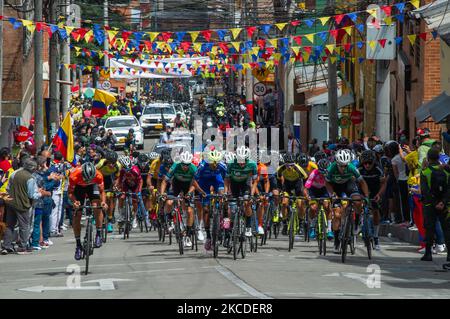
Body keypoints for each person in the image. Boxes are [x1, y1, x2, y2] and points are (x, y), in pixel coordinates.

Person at [1, 158, 46, 255]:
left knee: (10, 225)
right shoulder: (30, 178)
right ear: (32, 168)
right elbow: (31, 195)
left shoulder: (14, 173)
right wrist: (40, 194)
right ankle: (22, 247)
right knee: (24, 226)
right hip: (23, 205)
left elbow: (8, 188)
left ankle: (6, 246)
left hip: (11, 202)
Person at [68, 162, 107, 260]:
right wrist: (75, 202)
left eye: (90, 179)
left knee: (96, 205)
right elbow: (70, 193)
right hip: (79, 188)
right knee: (77, 213)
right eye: (86, 179)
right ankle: (78, 245)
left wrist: (103, 202)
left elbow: (102, 191)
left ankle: (98, 233)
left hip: (92, 187)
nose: (87, 181)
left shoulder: (98, 175)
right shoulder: (74, 176)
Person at [419, 148, 450, 262]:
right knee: (447, 229)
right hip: (445, 205)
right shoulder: (447, 171)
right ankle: (449, 255)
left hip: (429, 205)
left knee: (429, 228)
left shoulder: (425, 172)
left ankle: (428, 254)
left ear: (428, 158)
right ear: (438, 158)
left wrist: (435, 203)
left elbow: (425, 190)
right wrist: (443, 202)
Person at [358, 150, 387, 250]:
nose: (367, 165)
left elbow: (384, 183)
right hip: (362, 188)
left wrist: (379, 194)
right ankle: (357, 223)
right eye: (365, 163)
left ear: (373, 162)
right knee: (357, 204)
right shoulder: (359, 168)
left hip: (375, 189)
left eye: (369, 163)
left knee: (375, 211)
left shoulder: (378, 168)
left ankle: (375, 236)